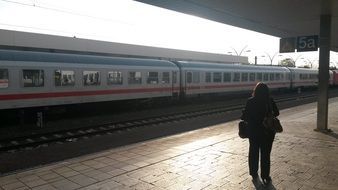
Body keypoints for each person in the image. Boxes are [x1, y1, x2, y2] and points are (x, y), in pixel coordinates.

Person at [241, 82, 279, 186]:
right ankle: (265, 176)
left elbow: (245, 117)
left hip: (254, 132)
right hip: (267, 133)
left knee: (253, 152)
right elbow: (277, 113)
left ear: (255, 91)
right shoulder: (269, 101)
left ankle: (253, 173)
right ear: (267, 91)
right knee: (265, 155)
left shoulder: (250, 101)